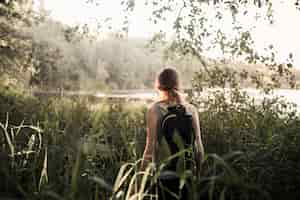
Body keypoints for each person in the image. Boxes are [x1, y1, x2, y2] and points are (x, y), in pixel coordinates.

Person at [141, 68, 204, 200]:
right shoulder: (191, 110)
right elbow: (199, 149)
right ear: (178, 85)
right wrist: (197, 176)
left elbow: (149, 149)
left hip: (164, 176)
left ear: (159, 86)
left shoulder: (154, 110)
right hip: (187, 176)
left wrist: (140, 182)